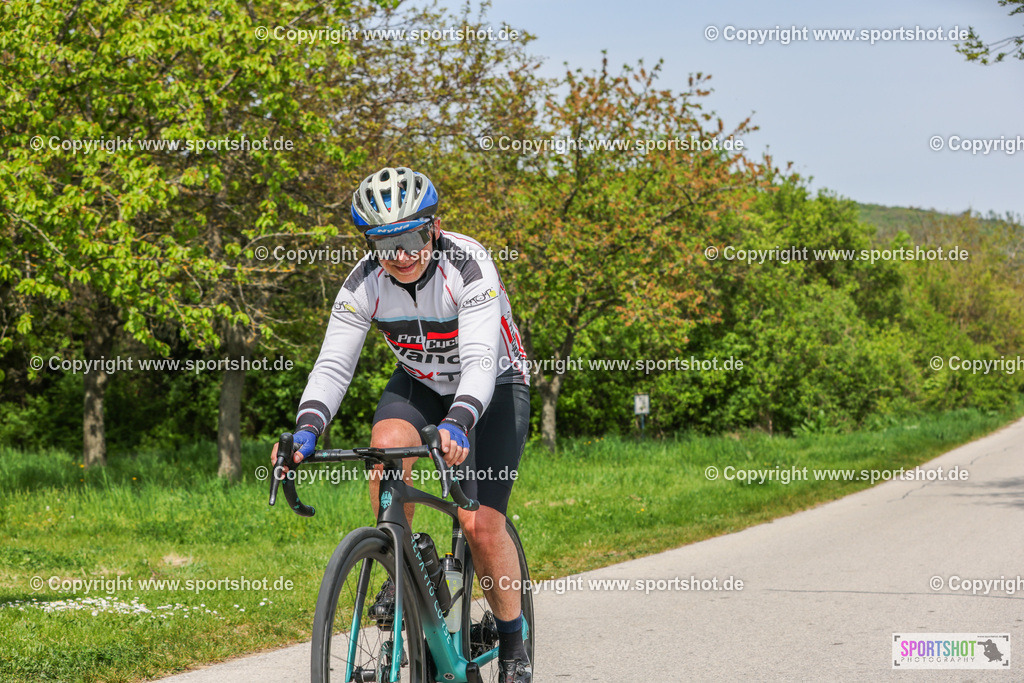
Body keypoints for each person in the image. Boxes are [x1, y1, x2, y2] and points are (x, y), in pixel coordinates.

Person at [272, 166, 532, 682]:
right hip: (419, 381)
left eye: (412, 238)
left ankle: (512, 644)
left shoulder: (469, 264)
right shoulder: (363, 282)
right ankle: (403, 558)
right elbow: (332, 366)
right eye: (385, 244)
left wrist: (459, 423)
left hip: (494, 386)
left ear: (433, 229)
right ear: (371, 246)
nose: (402, 255)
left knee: (479, 522)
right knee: (384, 447)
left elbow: (480, 360)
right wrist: (306, 430)